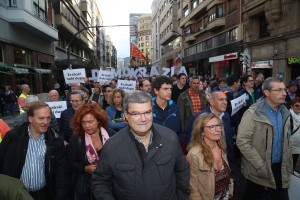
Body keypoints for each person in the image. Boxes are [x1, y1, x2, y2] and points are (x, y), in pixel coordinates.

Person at [91, 91, 190, 200]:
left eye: (147, 112)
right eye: (136, 114)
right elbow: (100, 181)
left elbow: (182, 171)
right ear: (126, 116)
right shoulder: (112, 146)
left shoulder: (170, 138)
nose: (143, 119)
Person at [236, 77, 292, 200]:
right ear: (266, 92)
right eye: (279, 90)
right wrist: (260, 166)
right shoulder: (253, 113)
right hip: (258, 169)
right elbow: (242, 141)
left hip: (279, 168)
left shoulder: (285, 112)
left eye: (284, 89)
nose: (284, 93)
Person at [0, 102, 68, 200]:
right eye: (41, 118)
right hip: (16, 194)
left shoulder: (56, 141)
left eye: (48, 118)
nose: (45, 122)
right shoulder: (13, 137)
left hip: (43, 194)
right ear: (30, 118)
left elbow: (61, 173)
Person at [68, 104, 115, 200]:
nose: (87, 126)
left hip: (110, 184)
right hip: (86, 186)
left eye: (90, 122)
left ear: (98, 120)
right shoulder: (76, 139)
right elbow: (71, 162)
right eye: (83, 122)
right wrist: (84, 168)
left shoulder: (112, 135)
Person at [186, 113, 233, 199]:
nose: (218, 130)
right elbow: (193, 190)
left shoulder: (221, 146)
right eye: (212, 127)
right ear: (201, 132)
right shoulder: (194, 155)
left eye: (218, 125)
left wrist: (230, 190)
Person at [151, 76, 182, 143]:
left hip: (172, 149)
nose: (169, 92)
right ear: (156, 91)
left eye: (170, 89)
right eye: (165, 89)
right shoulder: (148, 110)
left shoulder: (175, 109)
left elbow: (179, 131)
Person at [289, 97, 300, 169]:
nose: (299, 107)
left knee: (293, 167)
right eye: (297, 105)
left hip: (297, 147)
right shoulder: (287, 116)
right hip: (289, 148)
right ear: (291, 106)